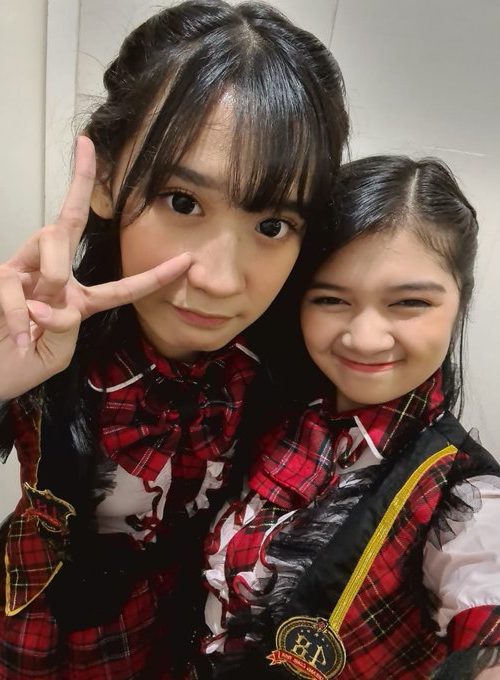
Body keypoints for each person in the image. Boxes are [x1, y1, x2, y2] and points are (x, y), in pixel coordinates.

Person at [0, 1, 349, 678]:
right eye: (183, 202)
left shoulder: (287, 364)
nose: (219, 280)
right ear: (106, 180)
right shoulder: (46, 336)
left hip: (187, 637)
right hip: (34, 625)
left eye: (272, 225)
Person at [203, 156, 500, 679]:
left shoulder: (463, 497)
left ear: (461, 304)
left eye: (409, 303)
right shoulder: (266, 409)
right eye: (330, 299)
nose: (364, 338)